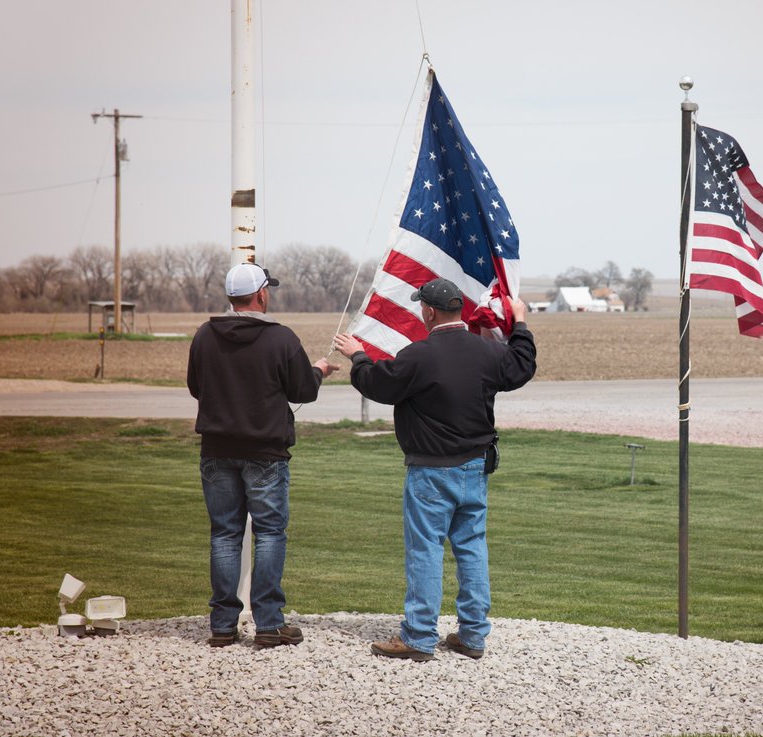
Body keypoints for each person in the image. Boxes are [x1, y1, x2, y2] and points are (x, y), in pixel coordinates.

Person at [332, 278, 536, 661]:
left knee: (425, 550)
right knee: (472, 548)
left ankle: (420, 638)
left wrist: (358, 357)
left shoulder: (419, 354)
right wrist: (520, 323)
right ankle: (473, 636)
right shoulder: (487, 350)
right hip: (476, 466)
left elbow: (380, 385)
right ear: (461, 309)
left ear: (428, 311)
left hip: (430, 470)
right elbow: (522, 366)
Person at [187, 262, 338, 648]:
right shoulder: (280, 338)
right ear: (262, 295)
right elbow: (303, 389)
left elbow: (195, 387)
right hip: (266, 453)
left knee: (224, 535)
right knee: (269, 533)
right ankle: (269, 623)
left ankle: (223, 624)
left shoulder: (205, 335)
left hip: (217, 450)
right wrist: (319, 369)